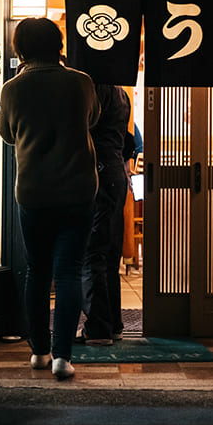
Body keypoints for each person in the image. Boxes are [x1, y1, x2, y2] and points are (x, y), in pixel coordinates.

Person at [0, 17, 100, 380]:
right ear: (58, 44)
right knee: (68, 270)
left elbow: (6, 133)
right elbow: (93, 118)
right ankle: (63, 357)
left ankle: (39, 351)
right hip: (77, 189)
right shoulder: (81, 82)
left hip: (33, 191)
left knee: (37, 271)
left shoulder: (12, 88)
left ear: (20, 48)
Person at [78, 84, 133, 345]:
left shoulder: (94, 89)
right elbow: (129, 141)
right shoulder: (121, 92)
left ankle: (98, 327)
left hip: (97, 171)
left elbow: (82, 129)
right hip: (115, 173)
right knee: (110, 253)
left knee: (92, 251)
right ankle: (114, 324)